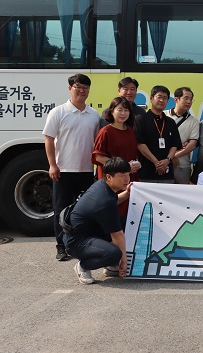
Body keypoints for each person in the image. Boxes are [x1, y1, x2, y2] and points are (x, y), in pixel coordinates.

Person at [43, 74, 100, 261]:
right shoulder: (58, 112)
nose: (81, 90)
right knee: (61, 210)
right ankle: (61, 246)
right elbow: (49, 139)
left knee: (84, 210)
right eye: (77, 87)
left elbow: (97, 143)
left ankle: (81, 244)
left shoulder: (93, 115)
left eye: (85, 87)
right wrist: (52, 165)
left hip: (86, 170)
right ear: (70, 89)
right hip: (63, 171)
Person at [63, 157, 132, 285]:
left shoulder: (103, 185)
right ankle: (83, 266)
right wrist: (123, 262)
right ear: (109, 177)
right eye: (122, 175)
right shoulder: (104, 199)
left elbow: (113, 202)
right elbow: (117, 235)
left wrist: (127, 193)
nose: (127, 179)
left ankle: (111, 266)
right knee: (114, 254)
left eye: (128, 174)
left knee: (127, 222)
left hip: (91, 232)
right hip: (76, 241)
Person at [92, 96, 140, 229]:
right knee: (112, 211)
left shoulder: (130, 132)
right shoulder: (105, 131)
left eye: (126, 110)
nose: (123, 113)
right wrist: (122, 167)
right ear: (112, 111)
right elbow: (98, 157)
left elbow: (133, 154)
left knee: (127, 214)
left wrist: (136, 164)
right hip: (112, 179)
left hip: (129, 177)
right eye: (119, 110)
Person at [135, 85, 182, 183]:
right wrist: (156, 162)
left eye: (165, 98)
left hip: (167, 172)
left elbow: (174, 144)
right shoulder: (141, 119)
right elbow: (140, 144)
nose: (162, 100)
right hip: (146, 172)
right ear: (151, 98)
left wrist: (167, 160)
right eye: (159, 97)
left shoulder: (170, 122)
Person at [165, 87, 199, 184]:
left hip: (183, 166)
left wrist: (172, 157)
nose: (189, 102)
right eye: (186, 98)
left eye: (191, 99)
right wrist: (168, 159)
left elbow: (192, 145)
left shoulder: (194, 121)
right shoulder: (164, 115)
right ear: (176, 99)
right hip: (163, 164)